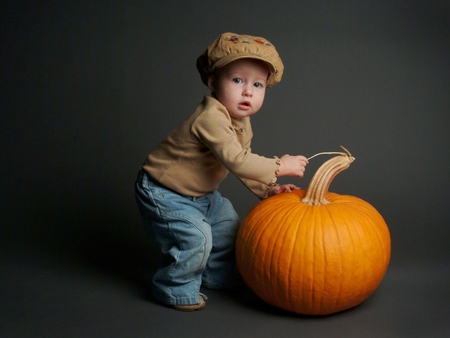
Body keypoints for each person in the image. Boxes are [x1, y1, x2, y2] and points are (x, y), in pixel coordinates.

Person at [135, 32, 309, 312]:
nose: (248, 91)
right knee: (197, 237)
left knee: (228, 227)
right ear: (214, 82)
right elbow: (238, 161)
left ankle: (216, 275)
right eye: (237, 80)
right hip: (164, 191)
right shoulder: (211, 117)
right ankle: (173, 288)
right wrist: (280, 165)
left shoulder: (241, 121)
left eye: (258, 84)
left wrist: (269, 188)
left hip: (201, 194)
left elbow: (243, 162)